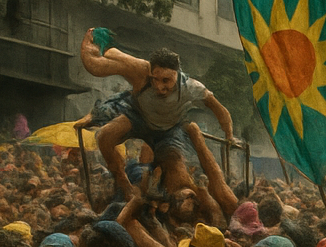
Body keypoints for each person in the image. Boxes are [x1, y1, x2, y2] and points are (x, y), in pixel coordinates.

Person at [77, 34, 239, 202]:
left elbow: (221, 111)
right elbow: (95, 66)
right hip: (137, 118)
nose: (160, 87)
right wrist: (92, 41)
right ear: (151, 72)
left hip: (168, 130)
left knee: (177, 176)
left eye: (166, 81)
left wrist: (229, 136)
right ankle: (124, 184)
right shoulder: (140, 71)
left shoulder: (192, 87)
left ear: (177, 74)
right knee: (105, 136)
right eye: (156, 80)